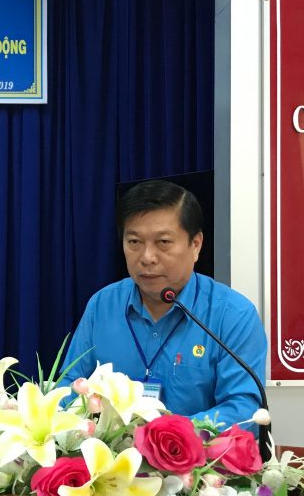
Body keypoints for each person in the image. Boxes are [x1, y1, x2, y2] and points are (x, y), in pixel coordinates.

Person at [58, 179, 267, 432]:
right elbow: (70, 385)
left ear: (196, 245)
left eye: (164, 242)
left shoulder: (232, 314)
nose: (147, 258)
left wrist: (165, 436)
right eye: (134, 242)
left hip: (197, 457)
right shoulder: (103, 305)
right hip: (112, 455)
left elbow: (244, 410)